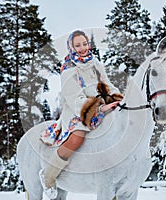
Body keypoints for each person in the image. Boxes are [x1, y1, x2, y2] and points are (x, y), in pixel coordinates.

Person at [39, 30, 123, 199]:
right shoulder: (68, 69)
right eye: (78, 45)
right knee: (77, 136)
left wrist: (118, 98)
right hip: (77, 110)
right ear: (71, 47)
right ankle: (48, 175)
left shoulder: (96, 63)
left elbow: (106, 85)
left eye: (84, 44)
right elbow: (74, 98)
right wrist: (98, 109)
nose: (82, 48)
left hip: (100, 105)